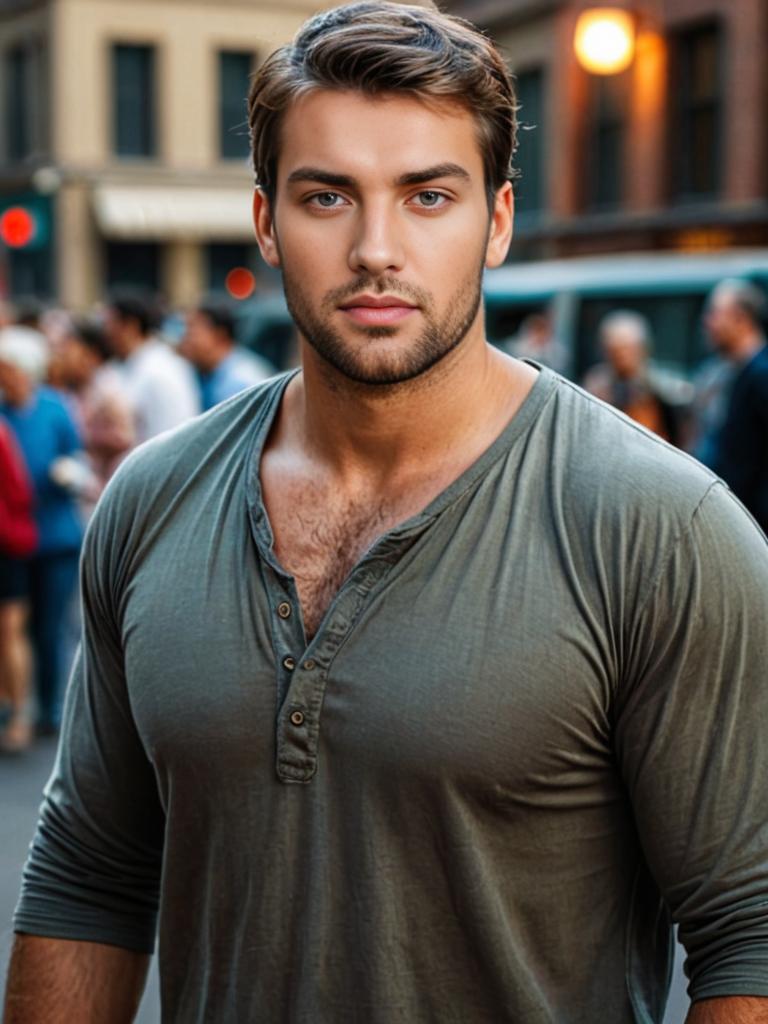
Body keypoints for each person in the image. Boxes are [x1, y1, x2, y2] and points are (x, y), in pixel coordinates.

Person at [5, 4, 768, 1022]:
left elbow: (749, 927)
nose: (376, 248)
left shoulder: (662, 528)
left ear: (496, 219)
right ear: (267, 221)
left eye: (427, 196)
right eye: (328, 196)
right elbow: (90, 872)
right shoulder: (150, 500)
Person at [0, 327, 84, 735]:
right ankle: (18, 704)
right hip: (12, 539)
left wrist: (67, 473)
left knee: (49, 628)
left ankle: (49, 708)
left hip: (55, 535)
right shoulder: (2, 413)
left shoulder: (55, 407)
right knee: (17, 628)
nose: (7, 378)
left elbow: (76, 458)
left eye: (12, 370)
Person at [698, 278, 768, 534]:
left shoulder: (761, 373)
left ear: (740, 318)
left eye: (714, 313)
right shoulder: (736, 373)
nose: (708, 323)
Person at [103, 292, 200, 444]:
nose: (106, 332)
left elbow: (171, 440)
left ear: (130, 326)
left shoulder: (161, 370)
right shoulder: (129, 366)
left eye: (110, 323)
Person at [583, 310, 691, 445]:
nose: (621, 358)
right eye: (614, 351)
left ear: (643, 349)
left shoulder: (660, 386)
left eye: (627, 350)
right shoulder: (597, 386)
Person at [0, 415, 37, 753]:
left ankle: (19, 714)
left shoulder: (2, 433)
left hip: (7, 549)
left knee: (11, 630)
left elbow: (19, 493)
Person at [180, 300, 274, 410]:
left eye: (192, 332)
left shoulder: (242, 382)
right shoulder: (206, 373)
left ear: (220, 335)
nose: (184, 340)